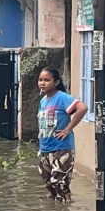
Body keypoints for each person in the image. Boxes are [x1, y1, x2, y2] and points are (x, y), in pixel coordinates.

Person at [37, 67, 87, 203]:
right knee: (49, 185)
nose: (42, 83)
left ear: (56, 81)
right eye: (40, 80)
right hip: (45, 149)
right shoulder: (43, 101)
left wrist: (67, 129)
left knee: (60, 184)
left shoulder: (62, 97)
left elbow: (82, 108)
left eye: (47, 80)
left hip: (62, 148)